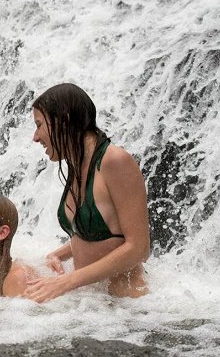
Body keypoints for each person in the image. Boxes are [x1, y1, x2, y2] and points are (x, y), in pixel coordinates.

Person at [26, 83, 150, 302]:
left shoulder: (115, 161)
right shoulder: (77, 163)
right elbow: (100, 235)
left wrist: (66, 282)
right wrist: (59, 254)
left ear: (62, 120)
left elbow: (138, 248)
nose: (35, 137)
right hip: (93, 306)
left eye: (39, 125)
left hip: (128, 309)